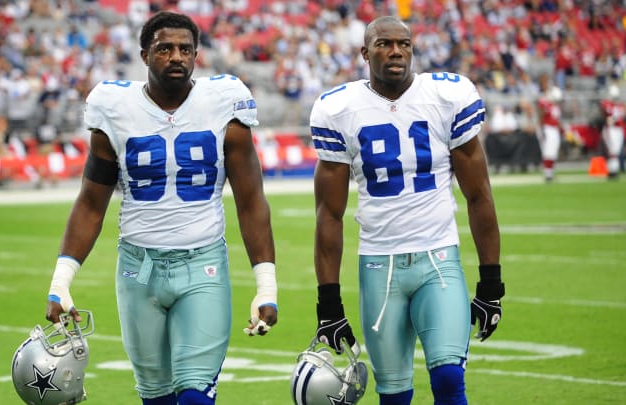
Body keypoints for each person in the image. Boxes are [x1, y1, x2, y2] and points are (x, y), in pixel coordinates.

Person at [44, 11, 278, 405]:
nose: (176, 57)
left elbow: (251, 199)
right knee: (155, 397)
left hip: (202, 263)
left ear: (197, 55)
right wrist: (60, 280)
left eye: (185, 49)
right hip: (138, 270)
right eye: (164, 48)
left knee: (195, 395)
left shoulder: (223, 102)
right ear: (144, 55)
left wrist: (266, 285)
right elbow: (91, 202)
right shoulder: (114, 106)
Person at [309, 16, 504, 405]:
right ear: (365, 52)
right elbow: (328, 215)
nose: (396, 51)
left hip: (438, 260)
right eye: (384, 44)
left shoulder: (446, 96)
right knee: (394, 394)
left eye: (404, 43)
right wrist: (328, 302)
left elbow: (479, 195)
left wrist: (491, 282)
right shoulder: (339, 108)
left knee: (449, 379)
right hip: (380, 267)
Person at [535, 74, 564, 182]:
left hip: (554, 129)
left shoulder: (555, 106)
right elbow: (541, 116)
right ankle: (547, 173)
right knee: (548, 150)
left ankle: (550, 172)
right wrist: (541, 128)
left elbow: (557, 119)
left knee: (553, 151)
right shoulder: (544, 102)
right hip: (547, 128)